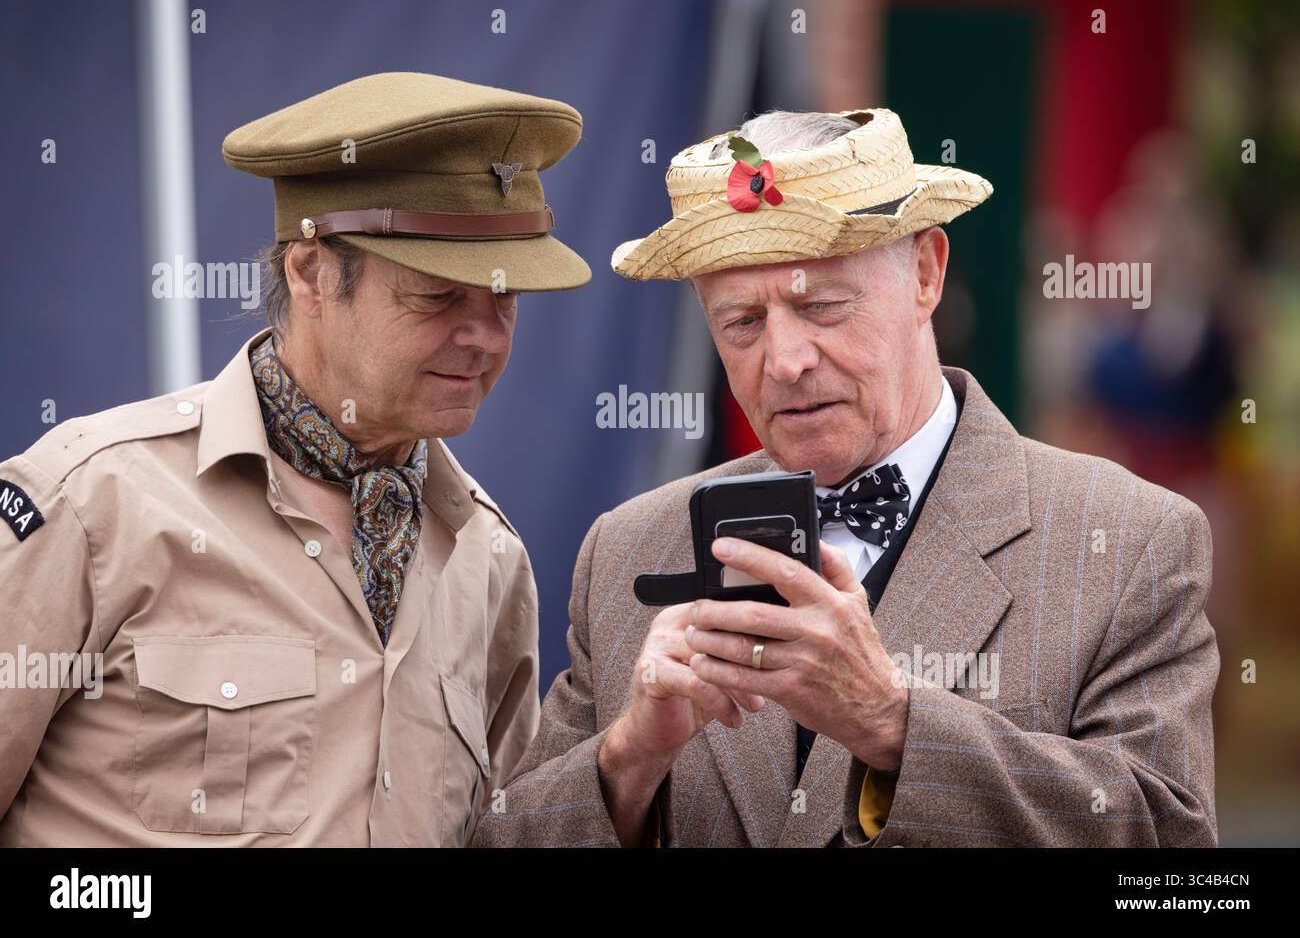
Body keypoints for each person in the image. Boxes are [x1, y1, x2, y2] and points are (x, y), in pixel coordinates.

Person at [472, 108, 1219, 847]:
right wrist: (627, 759)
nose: (786, 360)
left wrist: (893, 721)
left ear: (927, 273)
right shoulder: (626, 551)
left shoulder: (1129, 541)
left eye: (820, 305)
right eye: (742, 323)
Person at [0, 71, 590, 846]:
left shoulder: (488, 557)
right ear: (310, 272)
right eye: (439, 295)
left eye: (506, 299)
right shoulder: (89, 501)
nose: (485, 336)